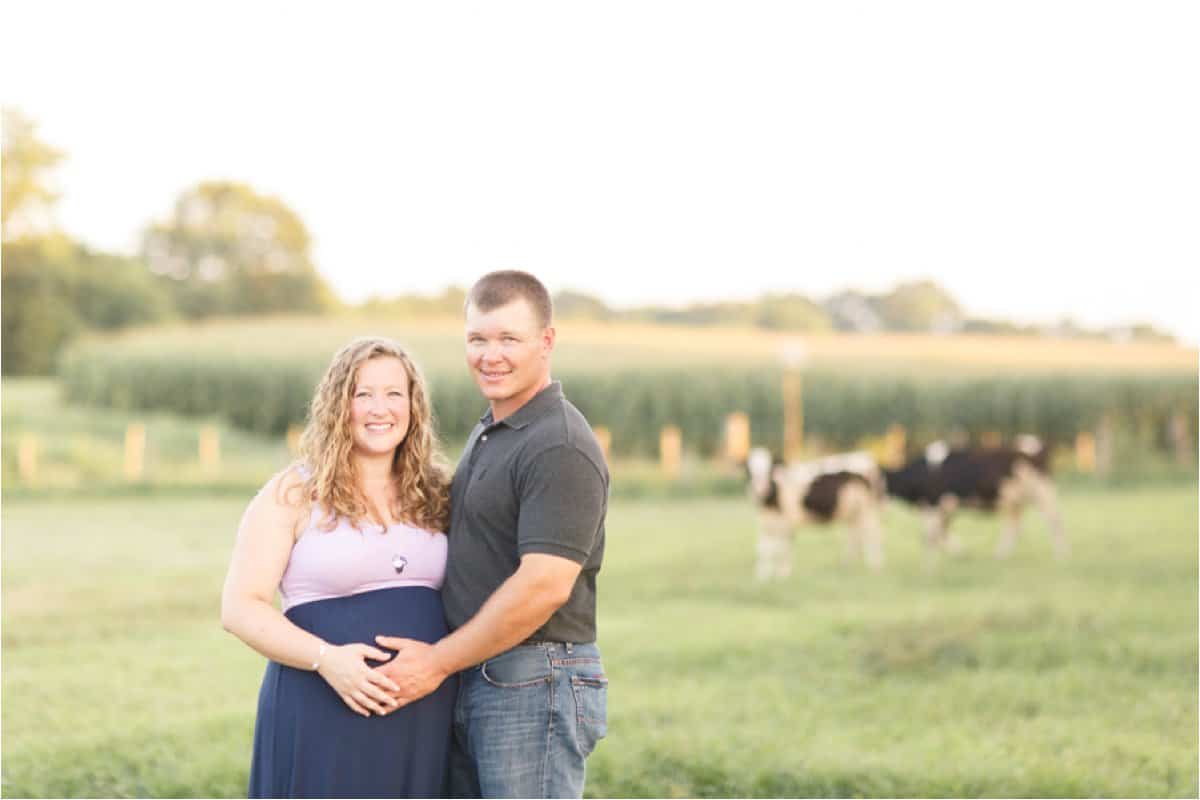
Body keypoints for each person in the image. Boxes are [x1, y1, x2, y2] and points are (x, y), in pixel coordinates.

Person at [374, 270, 609, 799]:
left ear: (546, 342)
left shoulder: (559, 444)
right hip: (479, 674)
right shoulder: (494, 429)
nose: (490, 355)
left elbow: (545, 586)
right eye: (477, 339)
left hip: (533, 679)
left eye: (509, 339)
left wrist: (436, 662)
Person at [221, 337, 457, 798]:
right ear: (338, 405)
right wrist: (328, 661)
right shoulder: (291, 493)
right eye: (361, 394)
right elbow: (240, 608)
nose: (379, 408)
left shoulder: (439, 493)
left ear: (413, 406)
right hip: (321, 707)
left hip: (424, 718)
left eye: (393, 394)